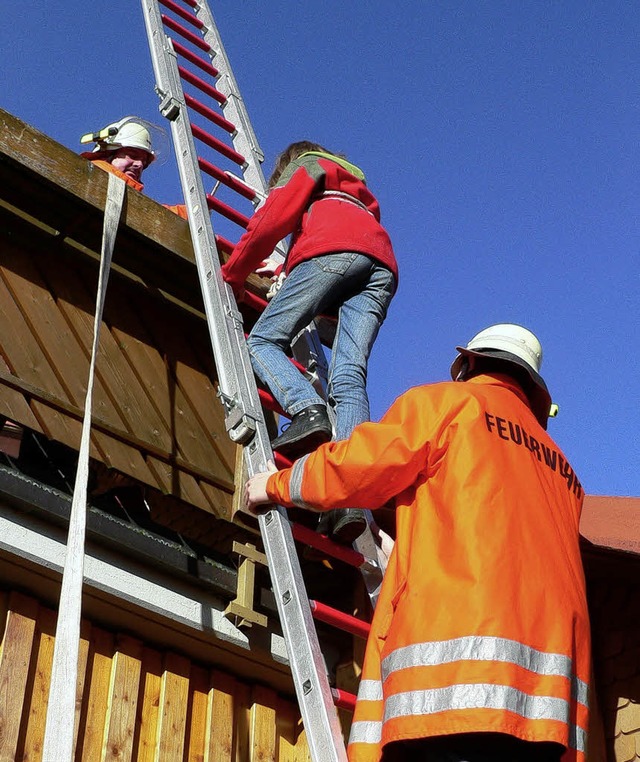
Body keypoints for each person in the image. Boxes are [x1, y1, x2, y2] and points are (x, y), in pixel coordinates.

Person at [244, 324, 590, 762]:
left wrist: (276, 485)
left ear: (468, 363)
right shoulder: (565, 475)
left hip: (446, 700)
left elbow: (360, 466)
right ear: (536, 392)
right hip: (544, 724)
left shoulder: (446, 404)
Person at [222, 141, 398, 543]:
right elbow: (345, 251)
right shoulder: (357, 195)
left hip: (334, 252)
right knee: (350, 379)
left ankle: (306, 410)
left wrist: (234, 273)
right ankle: (349, 496)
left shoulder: (307, 164)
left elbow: (274, 217)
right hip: (382, 264)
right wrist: (287, 267)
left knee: (262, 341)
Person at [80, 116, 187, 217]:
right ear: (107, 155)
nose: (139, 164)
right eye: (132, 155)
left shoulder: (131, 204)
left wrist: (196, 210)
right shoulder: (88, 179)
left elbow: (158, 215)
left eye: (144, 162)